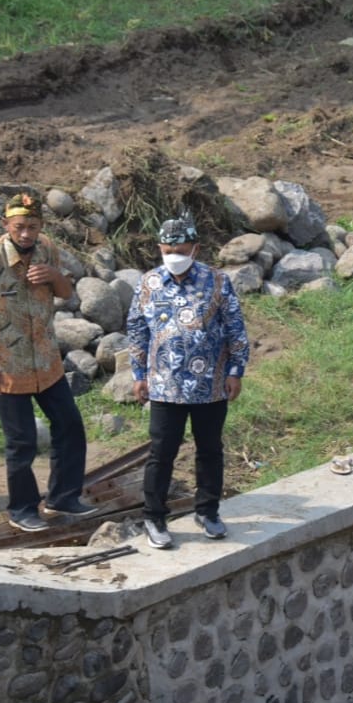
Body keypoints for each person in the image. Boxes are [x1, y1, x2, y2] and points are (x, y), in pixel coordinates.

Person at [0, 193, 95, 532]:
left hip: (47, 362)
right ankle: (21, 509)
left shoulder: (47, 248)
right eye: (19, 227)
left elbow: (66, 292)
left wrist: (53, 275)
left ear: (41, 227)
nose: (25, 234)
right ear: (6, 226)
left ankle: (63, 497)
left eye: (32, 227)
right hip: (8, 368)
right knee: (21, 443)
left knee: (70, 426)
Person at [128, 218, 250, 550]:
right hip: (164, 386)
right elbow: (137, 329)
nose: (174, 256)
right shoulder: (149, 283)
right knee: (161, 453)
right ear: (160, 249)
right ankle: (154, 517)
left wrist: (236, 370)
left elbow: (235, 328)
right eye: (168, 251)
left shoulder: (217, 282)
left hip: (210, 384)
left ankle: (208, 511)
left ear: (195, 249)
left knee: (210, 449)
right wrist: (138, 375)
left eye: (181, 251)